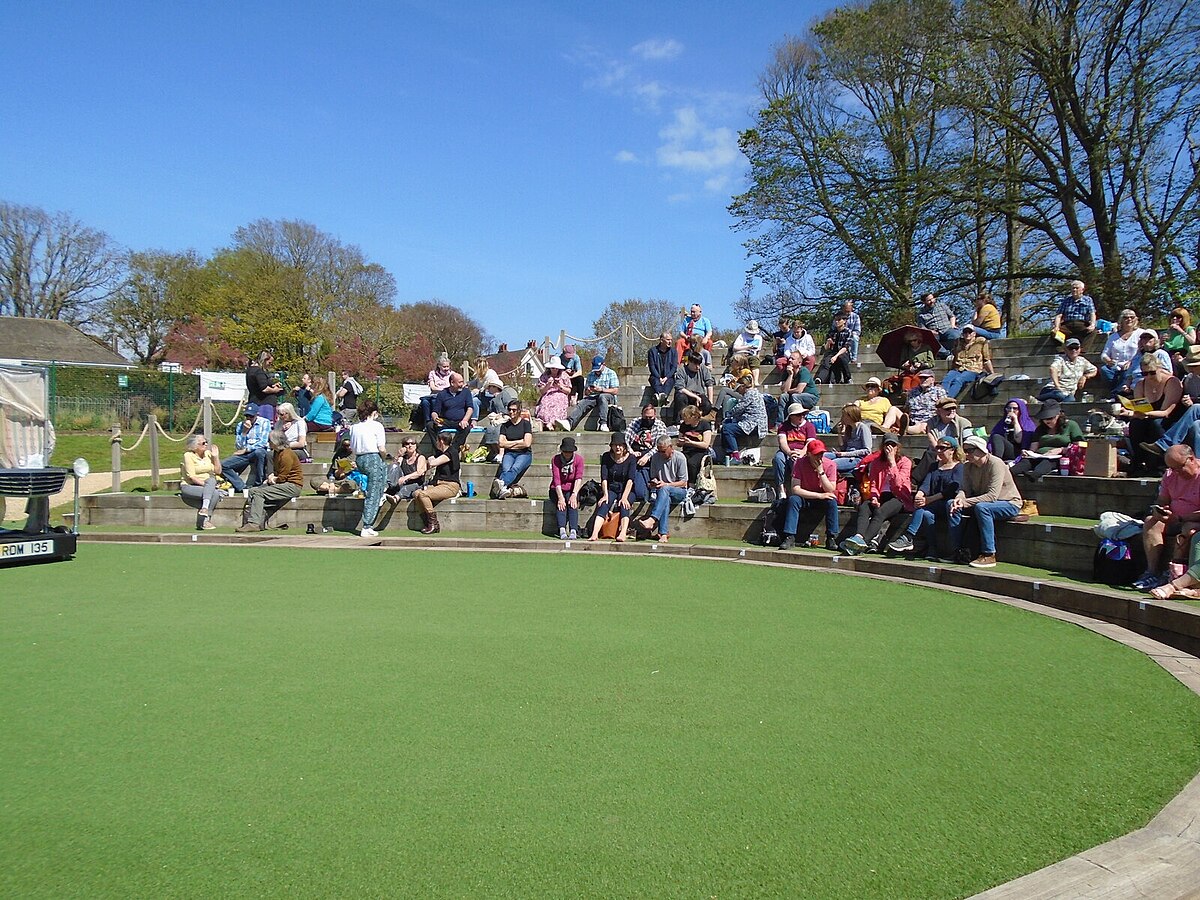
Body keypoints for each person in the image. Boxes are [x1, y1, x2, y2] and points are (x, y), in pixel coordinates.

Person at [948, 434, 1023, 568]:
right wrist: (959, 498)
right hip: (982, 502)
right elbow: (964, 489)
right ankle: (958, 551)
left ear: (981, 450)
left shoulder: (996, 463)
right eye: (965, 451)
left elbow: (992, 496)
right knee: (951, 505)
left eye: (970, 450)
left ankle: (989, 554)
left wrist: (965, 502)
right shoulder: (967, 467)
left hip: (1009, 502)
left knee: (982, 508)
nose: (966, 454)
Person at [1133, 444, 1200, 591]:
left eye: (1179, 467)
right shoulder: (1170, 475)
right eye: (1172, 468)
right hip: (1175, 518)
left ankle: (1173, 572)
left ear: (1191, 459)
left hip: (1193, 521)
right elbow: (1162, 500)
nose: (1176, 472)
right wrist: (1160, 510)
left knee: (1189, 529)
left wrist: (1183, 518)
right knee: (1151, 522)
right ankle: (1151, 572)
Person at [886, 437, 965, 560]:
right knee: (926, 514)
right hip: (933, 504)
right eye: (937, 448)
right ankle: (931, 549)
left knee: (925, 506)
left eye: (942, 448)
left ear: (952, 450)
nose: (938, 451)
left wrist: (929, 499)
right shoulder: (934, 466)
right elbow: (926, 484)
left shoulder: (959, 467)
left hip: (949, 504)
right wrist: (920, 494)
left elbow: (952, 490)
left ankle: (909, 537)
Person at [838, 433, 914, 554]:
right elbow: (873, 484)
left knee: (880, 512)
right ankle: (859, 536)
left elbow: (899, 485)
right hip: (881, 495)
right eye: (887, 445)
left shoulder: (905, 462)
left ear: (897, 447)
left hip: (899, 497)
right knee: (864, 507)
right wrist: (874, 497)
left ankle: (863, 542)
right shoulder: (877, 462)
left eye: (892, 445)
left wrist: (892, 463)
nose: (889, 448)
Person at [1120, 353, 1183, 476]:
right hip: (1148, 416)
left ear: (1160, 368)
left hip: (1169, 418)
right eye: (1145, 373)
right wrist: (1131, 413)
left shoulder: (1171, 382)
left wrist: (1144, 414)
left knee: (1156, 424)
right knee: (1135, 424)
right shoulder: (1140, 385)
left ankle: (1159, 465)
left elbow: (1166, 412)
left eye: (1152, 372)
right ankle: (1138, 463)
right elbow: (1139, 409)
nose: (1148, 377)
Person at [776, 440, 840, 551]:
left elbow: (830, 489)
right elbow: (795, 489)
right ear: (808, 453)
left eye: (821, 453)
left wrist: (821, 472)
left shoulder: (830, 464)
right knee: (793, 500)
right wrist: (818, 496)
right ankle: (789, 536)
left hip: (823, 496)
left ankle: (831, 537)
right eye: (816, 454)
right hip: (806, 497)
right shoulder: (800, 463)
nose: (819, 456)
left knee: (832, 501)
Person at [236, 429, 303, 532]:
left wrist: (272, 480)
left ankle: (254, 524)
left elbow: (282, 477)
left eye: (270, 440)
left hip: (292, 486)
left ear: (275, 442)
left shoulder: (286, 455)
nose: (268, 443)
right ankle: (252, 522)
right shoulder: (276, 453)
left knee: (258, 493)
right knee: (253, 491)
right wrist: (271, 478)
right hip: (283, 483)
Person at [1009, 399, 1085, 478]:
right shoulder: (1040, 429)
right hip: (1039, 455)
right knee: (1025, 462)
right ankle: (1010, 473)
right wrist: (1028, 452)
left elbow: (1080, 446)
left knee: (1047, 463)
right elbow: (1033, 447)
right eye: (1044, 419)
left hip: (1059, 458)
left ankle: (1035, 475)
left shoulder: (1071, 425)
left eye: (1050, 418)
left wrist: (1061, 449)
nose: (1047, 421)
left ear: (1059, 415)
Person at [635, 435, 688, 543]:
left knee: (665, 489)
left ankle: (652, 519)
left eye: (663, 451)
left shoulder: (680, 458)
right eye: (659, 451)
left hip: (679, 491)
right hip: (663, 492)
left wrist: (667, 484)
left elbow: (683, 482)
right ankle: (663, 534)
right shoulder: (655, 457)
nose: (661, 454)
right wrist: (655, 482)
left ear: (671, 447)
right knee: (665, 498)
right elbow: (654, 475)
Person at [348, 399, 388, 537]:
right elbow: (381, 448)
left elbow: (352, 447)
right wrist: (384, 457)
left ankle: (382, 492)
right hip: (373, 458)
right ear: (374, 413)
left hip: (360, 458)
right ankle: (367, 525)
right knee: (373, 492)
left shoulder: (354, 427)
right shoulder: (377, 426)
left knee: (379, 480)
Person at [589, 434, 640, 542]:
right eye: (615, 445)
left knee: (624, 505)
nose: (618, 447)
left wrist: (625, 497)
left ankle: (623, 533)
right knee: (603, 504)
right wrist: (605, 494)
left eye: (620, 445)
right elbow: (604, 478)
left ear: (625, 446)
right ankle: (594, 534)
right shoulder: (606, 457)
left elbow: (631, 479)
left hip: (627, 489)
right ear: (611, 446)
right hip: (611, 488)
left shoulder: (631, 458)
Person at [414, 430, 462, 535]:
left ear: (441, 441)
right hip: (439, 484)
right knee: (417, 493)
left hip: (450, 486)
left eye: (437, 440)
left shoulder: (451, 452)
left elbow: (433, 463)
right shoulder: (441, 453)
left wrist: (430, 457)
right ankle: (427, 522)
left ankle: (434, 524)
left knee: (423, 494)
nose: (436, 443)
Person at [717, 374, 768, 464]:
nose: (738, 392)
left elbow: (738, 409)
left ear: (743, 386)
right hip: (752, 422)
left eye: (738, 389)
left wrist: (727, 415)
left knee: (727, 429)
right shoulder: (754, 393)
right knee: (728, 425)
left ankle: (735, 457)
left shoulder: (750, 394)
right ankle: (728, 454)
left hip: (754, 425)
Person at [559, 356, 619, 432]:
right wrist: (588, 390)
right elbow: (586, 393)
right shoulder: (591, 375)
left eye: (598, 369)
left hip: (608, 396)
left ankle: (603, 423)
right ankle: (569, 422)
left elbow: (615, 390)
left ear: (604, 365)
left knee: (602, 397)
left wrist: (601, 389)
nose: (597, 371)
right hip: (594, 396)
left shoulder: (611, 373)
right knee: (583, 402)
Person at [220, 403, 271, 492]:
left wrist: (247, 449)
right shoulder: (241, 425)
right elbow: (239, 446)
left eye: (251, 416)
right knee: (223, 465)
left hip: (257, 451)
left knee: (259, 452)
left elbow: (263, 442)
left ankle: (259, 483)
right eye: (247, 416)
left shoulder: (264, 423)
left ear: (257, 415)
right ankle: (241, 487)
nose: (249, 418)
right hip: (244, 454)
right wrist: (244, 432)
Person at [1098, 309, 1148, 396]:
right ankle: (1118, 390)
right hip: (1115, 366)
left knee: (1127, 372)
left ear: (1136, 319)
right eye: (1126, 317)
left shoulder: (1141, 333)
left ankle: (1115, 394)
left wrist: (1131, 362)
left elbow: (1143, 350)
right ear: (1121, 320)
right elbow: (1104, 354)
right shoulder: (1113, 337)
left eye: (1132, 317)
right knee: (1104, 370)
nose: (1129, 319)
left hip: (1133, 365)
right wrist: (1108, 360)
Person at [180, 433, 224, 530]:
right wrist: (208, 486)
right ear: (195, 446)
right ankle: (205, 516)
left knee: (215, 490)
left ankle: (205, 517)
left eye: (206, 442)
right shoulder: (188, 456)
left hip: (208, 484)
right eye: (203, 443)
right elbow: (191, 477)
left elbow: (218, 471)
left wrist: (216, 457)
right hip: (190, 486)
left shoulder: (208, 454)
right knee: (212, 484)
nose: (206, 445)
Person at [491, 399, 533, 499]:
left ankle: (500, 485)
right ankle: (503, 490)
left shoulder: (525, 424)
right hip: (509, 453)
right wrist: (518, 441)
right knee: (505, 469)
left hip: (524, 454)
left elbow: (527, 443)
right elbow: (501, 443)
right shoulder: (505, 426)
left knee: (515, 468)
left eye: (514, 410)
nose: (511, 412)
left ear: (519, 411)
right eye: (509, 410)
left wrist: (508, 443)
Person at [773, 403, 817, 499]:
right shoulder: (783, 426)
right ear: (791, 416)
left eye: (803, 414)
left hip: (803, 451)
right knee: (778, 459)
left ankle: (798, 488)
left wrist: (802, 452)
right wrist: (789, 452)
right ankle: (781, 489)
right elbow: (782, 442)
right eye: (798, 415)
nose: (801, 416)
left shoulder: (809, 426)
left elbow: (810, 443)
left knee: (797, 460)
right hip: (786, 451)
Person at [626, 400, 667, 499]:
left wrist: (647, 456)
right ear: (642, 415)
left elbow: (659, 446)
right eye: (645, 417)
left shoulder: (660, 425)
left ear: (655, 415)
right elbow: (626, 439)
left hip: (652, 457)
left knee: (657, 456)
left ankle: (653, 487)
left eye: (650, 417)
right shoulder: (635, 422)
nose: (648, 419)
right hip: (635, 455)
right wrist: (631, 452)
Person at [941, 326, 994, 399]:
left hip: (973, 369)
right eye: (965, 332)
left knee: (958, 380)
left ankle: (948, 400)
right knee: (946, 380)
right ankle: (941, 398)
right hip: (958, 368)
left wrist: (992, 373)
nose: (967, 334)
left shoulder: (981, 342)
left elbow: (986, 359)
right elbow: (954, 357)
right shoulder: (958, 342)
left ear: (974, 333)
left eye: (970, 332)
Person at [427, 372, 475, 448]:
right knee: (430, 425)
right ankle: (437, 449)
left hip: (460, 421)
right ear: (452, 383)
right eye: (460, 382)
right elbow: (435, 411)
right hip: (446, 421)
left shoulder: (466, 392)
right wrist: (436, 419)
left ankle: (454, 449)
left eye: (462, 381)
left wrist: (465, 420)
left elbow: (470, 408)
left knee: (466, 428)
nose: (462, 384)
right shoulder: (442, 394)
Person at [550, 436, 585, 540]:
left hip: (572, 488)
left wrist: (574, 494)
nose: (567, 454)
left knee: (572, 503)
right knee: (561, 504)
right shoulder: (555, 459)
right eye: (565, 451)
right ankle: (562, 529)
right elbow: (556, 479)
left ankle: (573, 530)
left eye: (569, 451)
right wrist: (560, 497)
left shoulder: (579, 460)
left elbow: (578, 478)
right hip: (557, 489)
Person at [826, 404, 874, 476]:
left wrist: (845, 454)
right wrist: (839, 433)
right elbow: (843, 448)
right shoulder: (849, 428)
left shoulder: (863, 428)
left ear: (851, 416)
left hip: (856, 459)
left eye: (844, 415)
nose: (842, 418)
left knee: (830, 464)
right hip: (845, 455)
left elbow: (867, 450)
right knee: (823, 456)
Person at [676, 404, 715, 485]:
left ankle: (692, 485)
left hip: (700, 451)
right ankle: (681, 482)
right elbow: (678, 443)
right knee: (679, 460)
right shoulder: (684, 425)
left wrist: (690, 442)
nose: (683, 419)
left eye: (685, 417)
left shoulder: (704, 424)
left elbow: (705, 444)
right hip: (687, 451)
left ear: (693, 416)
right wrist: (681, 442)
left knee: (692, 463)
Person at [672, 352, 715, 421]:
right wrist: (695, 397)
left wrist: (710, 401)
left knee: (707, 404)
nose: (697, 367)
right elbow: (680, 388)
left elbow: (709, 384)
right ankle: (679, 421)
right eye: (695, 364)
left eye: (699, 364)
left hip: (700, 394)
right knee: (680, 397)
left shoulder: (703, 368)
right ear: (689, 362)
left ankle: (698, 419)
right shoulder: (682, 370)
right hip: (686, 394)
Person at [384, 437, 427, 504]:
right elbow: (394, 468)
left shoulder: (420, 457)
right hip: (402, 483)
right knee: (394, 466)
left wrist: (406, 477)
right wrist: (398, 455)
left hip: (417, 484)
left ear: (416, 446)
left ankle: (396, 498)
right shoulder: (403, 458)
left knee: (407, 488)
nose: (410, 446)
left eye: (412, 443)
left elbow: (419, 473)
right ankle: (385, 488)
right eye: (407, 444)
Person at [777, 352, 819, 421]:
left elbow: (799, 390)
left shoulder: (804, 371)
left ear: (799, 363)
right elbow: (784, 390)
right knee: (783, 397)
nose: (790, 360)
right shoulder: (787, 371)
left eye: (792, 359)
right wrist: (790, 375)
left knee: (795, 396)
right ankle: (780, 424)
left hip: (811, 397)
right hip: (795, 395)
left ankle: (795, 421)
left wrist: (788, 391)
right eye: (789, 358)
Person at [416, 353, 454, 428]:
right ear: (439, 366)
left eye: (447, 366)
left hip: (446, 396)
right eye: (444, 367)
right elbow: (433, 387)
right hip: (433, 395)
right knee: (425, 402)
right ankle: (427, 422)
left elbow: (452, 388)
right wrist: (444, 388)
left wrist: (440, 389)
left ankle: (435, 422)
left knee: (434, 401)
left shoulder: (452, 374)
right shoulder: (433, 373)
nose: (446, 368)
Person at [916, 293, 960, 358]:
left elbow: (952, 316)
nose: (932, 301)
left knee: (956, 335)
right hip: (933, 333)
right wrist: (930, 331)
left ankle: (957, 353)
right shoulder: (921, 314)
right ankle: (947, 355)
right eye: (929, 300)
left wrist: (952, 325)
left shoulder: (942, 305)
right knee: (929, 342)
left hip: (947, 329)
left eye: (932, 299)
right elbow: (922, 327)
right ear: (924, 302)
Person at [534, 357, 573, 430]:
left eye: (556, 368)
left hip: (560, 394)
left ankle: (552, 423)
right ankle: (546, 422)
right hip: (548, 394)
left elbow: (568, 391)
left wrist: (559, 386)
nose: (554, 369)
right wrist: (548, 385)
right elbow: (541, 391)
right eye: (552, 368)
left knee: (558, 404)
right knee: (545, 404)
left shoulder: (564, 375)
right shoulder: (544, 376)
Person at [245, 350, 284, 422]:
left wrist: (272, 385)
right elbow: (264, 388)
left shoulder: (250, 370)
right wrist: (275, 390)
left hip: (253, 402)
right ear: (264, 360)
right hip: (264, 404)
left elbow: (258, 385)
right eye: (269, 362)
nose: (269, 365)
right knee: (266, 426)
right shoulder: (258, 371)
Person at [815, 312, 852, 384]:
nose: (836, 322)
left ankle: (848, 378)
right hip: (832, 353)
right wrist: (828, 342)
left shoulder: (848, 332)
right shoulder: (832, 332)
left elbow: (845, 347)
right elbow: (826, 348)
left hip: (843, 353)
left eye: (839, 320)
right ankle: (819, 379)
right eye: (835, 320)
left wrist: (836, 356)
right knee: (826, 362)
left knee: (841, 358)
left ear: (844, 321)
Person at [647, 331, 678, 405]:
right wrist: (659, 378)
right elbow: (652, 367)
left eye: (671, 339)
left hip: (669, 377)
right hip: (656, 376)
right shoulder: (652, 351)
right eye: (668, 340)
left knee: (669, 382)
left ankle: (659, 396)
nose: (670, 341)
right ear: (661, 340)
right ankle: (663, 396)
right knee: (655, 381)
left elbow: (674, 367)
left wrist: (666, 378)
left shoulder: (674, 352)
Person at [729, 320, 764, 385]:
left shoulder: (759, 338)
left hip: (752, 355)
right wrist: (747, 347)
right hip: (741, 354)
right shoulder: (742, 336)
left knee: (755, 360)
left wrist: (757, 357)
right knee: (738, 359)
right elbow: (735, 348)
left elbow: (758, 351)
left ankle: (755, 381)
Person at [838, 301, 863, 367]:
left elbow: (858, 331)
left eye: (848, 311)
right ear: (843, 309)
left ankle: (853, 359)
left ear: (851, 309)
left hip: (851, 335)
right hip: (840, 335)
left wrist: (849, 333)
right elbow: (833, 328)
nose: (846, 313)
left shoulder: (856, 317)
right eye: (845, 311)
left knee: (854, 337)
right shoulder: (838, 317)